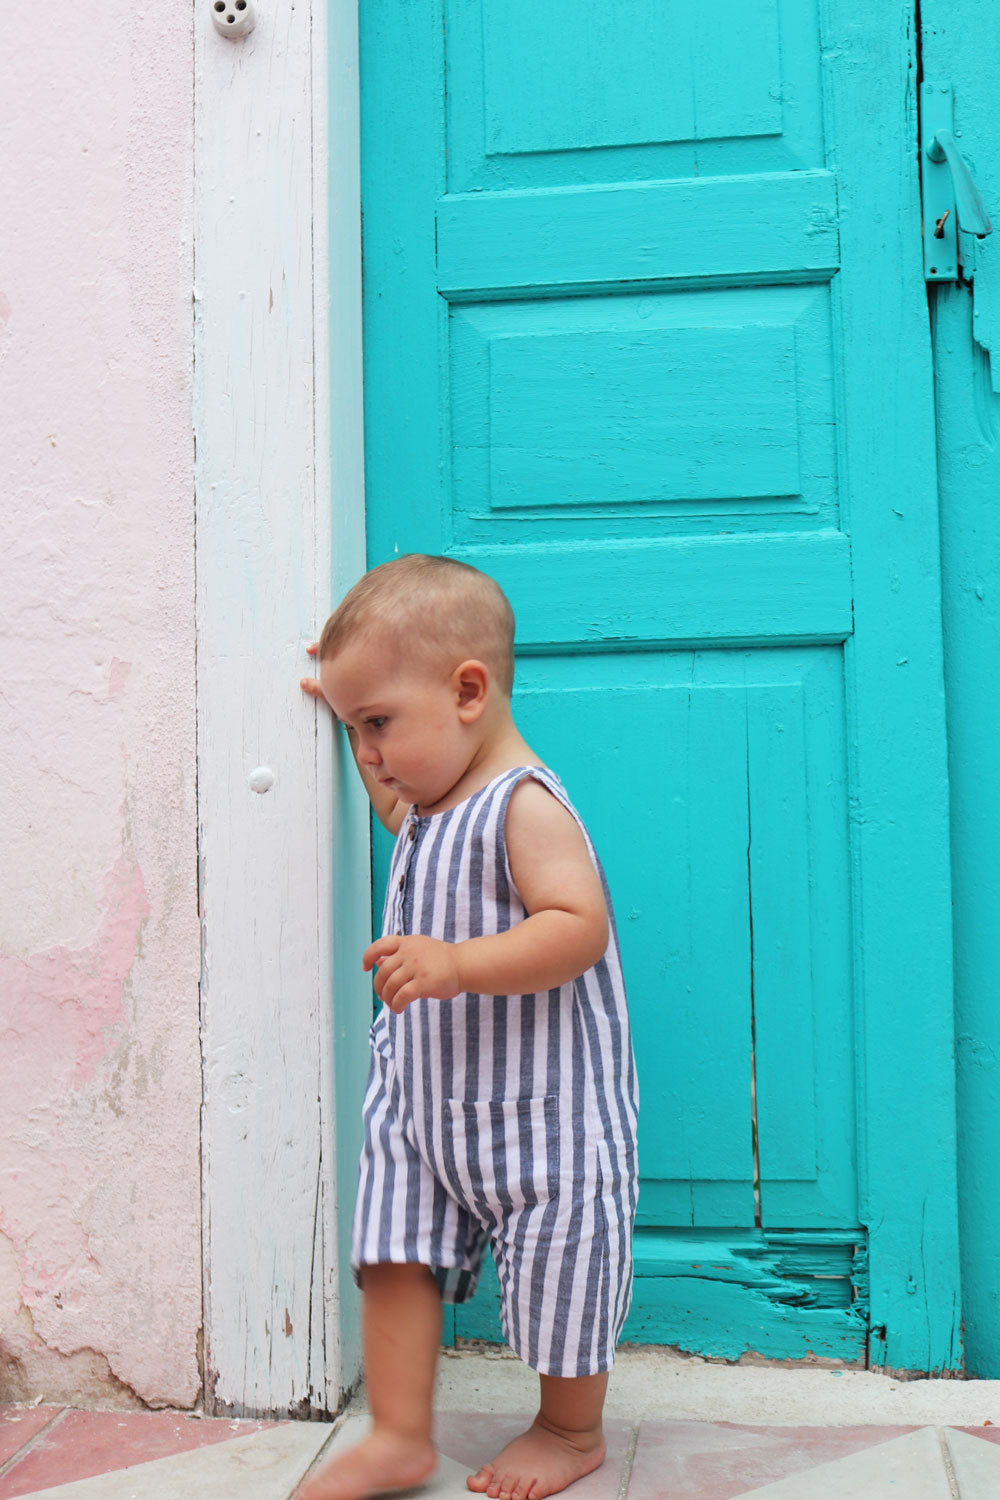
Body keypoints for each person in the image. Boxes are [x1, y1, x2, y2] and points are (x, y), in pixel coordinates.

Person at [297, 554, 638, 1500]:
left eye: (379, 724)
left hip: (543, 1121)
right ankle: (400, 1433)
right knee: (394, 1256)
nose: (370, 752)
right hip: (426, 1109)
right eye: (357, 728)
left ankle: (570, 1432)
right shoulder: (427, 804)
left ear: (468, 692)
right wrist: (346, 709)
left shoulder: (522, 804)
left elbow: (576, 926)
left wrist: (452, 962)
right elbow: (390, 804)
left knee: (564, 1267)